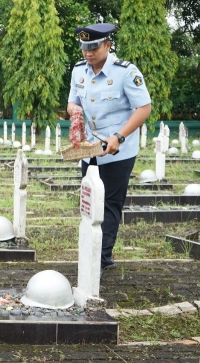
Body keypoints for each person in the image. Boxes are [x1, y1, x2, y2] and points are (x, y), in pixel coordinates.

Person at [66, 23, 152, 278]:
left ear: (107, 45)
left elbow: (144, 108)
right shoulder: (79, 71)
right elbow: (73, 100)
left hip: (118, 149)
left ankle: (101, 258)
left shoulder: (126, 72)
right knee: (90, 200)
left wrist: (119, 136)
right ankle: (93, 250)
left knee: (110, 203)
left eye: (93, 48)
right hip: (90, 148)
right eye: (84, 48)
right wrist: (74, 109)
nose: (88, 53)